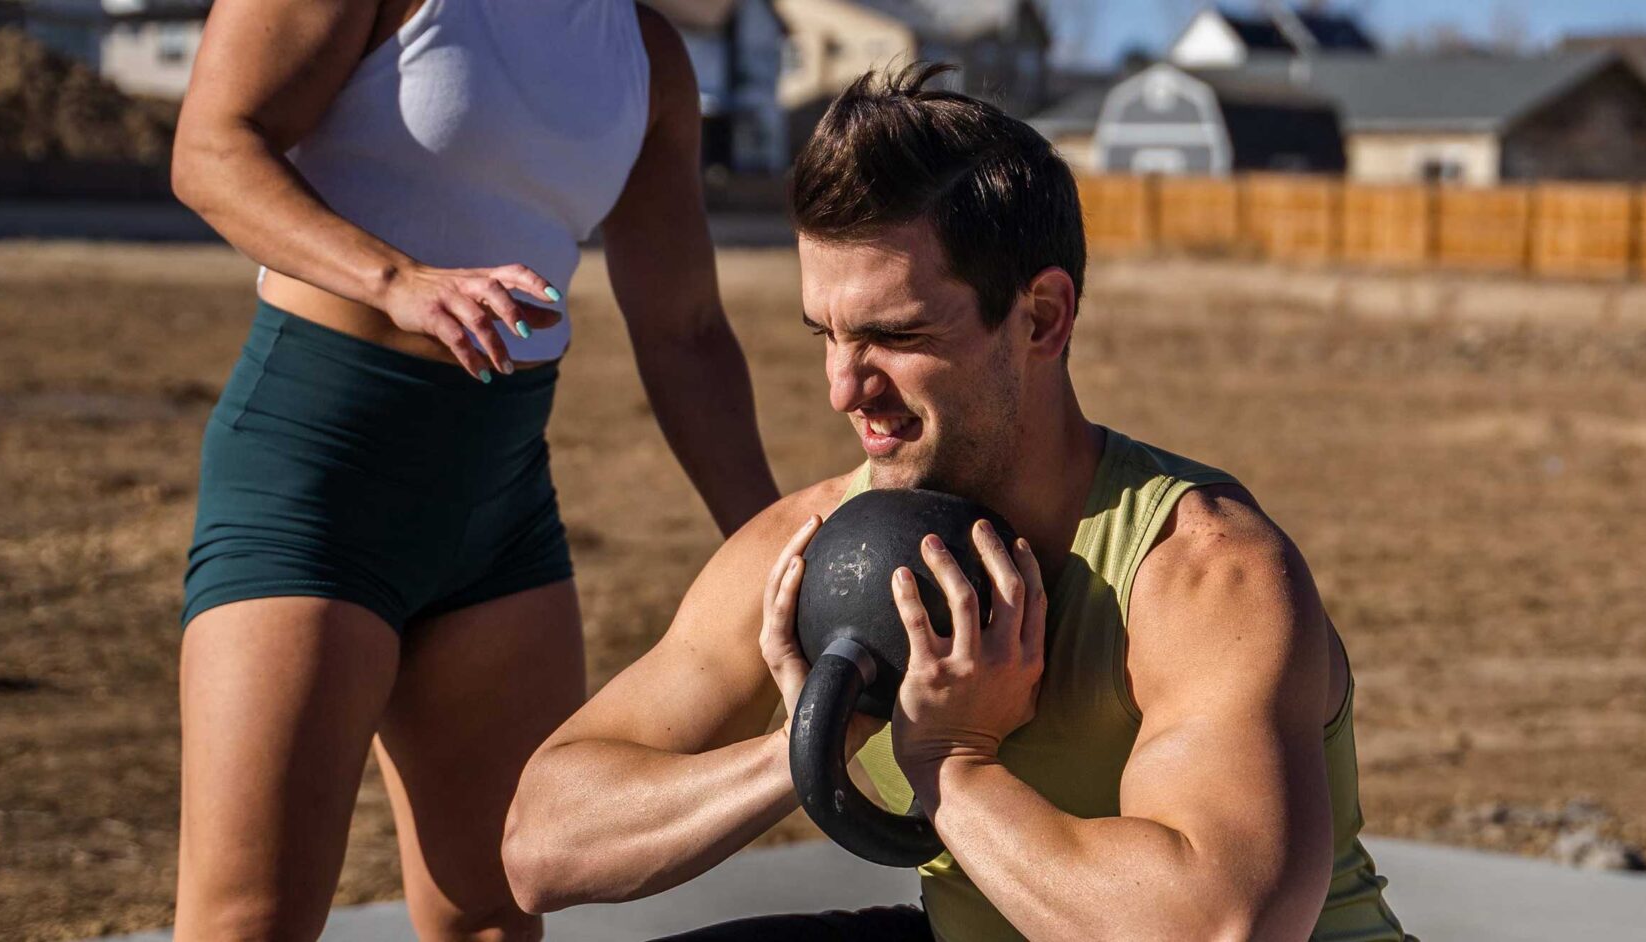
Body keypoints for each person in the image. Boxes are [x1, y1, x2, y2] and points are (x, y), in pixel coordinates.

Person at [501, 64, 1412, 942]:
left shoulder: (1206, 572)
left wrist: (951, 760)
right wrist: (818, 739)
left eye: (896, 336)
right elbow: (542, 843)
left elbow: (1219, 928)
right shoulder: (818, 548)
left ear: (1042, 319)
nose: (843, 389)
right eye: (829, 334)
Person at [166, 0, 780, 938]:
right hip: (317, 482)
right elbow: (211, 149)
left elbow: (684, 329)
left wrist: (774, 552)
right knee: (251, 918)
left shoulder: (650, 59)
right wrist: (395, 279)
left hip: (498, 505)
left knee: (494, 912)